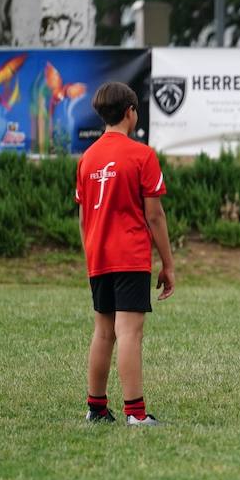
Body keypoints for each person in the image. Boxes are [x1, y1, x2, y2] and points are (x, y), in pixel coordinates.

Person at [75, 81, 174, 426]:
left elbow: (83, 214)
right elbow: (155, 215)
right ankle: (136, 414)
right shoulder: (142, 154)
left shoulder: (87, 159)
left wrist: (90, 250)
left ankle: (97, 409)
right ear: (131, 112)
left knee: (104, 331)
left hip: (98, 256)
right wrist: (168, 263)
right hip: (129, 255)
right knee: (130, 332)